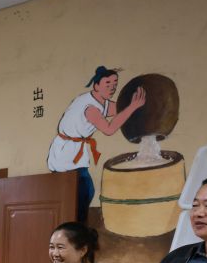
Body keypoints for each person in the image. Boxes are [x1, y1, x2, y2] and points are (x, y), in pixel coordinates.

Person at [47, 66, 146, 224]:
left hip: (74, 151)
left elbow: (117, 108)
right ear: (96, 85)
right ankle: (76, 227)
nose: (112, 87)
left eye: (115, 83)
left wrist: (132, 105)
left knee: (83, 191)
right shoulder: (90, 107)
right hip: (66, 154)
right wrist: (133, 106)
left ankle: (76, 226)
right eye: (108, 83)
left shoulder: (98, 100)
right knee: (83, 191)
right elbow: (109, 129)